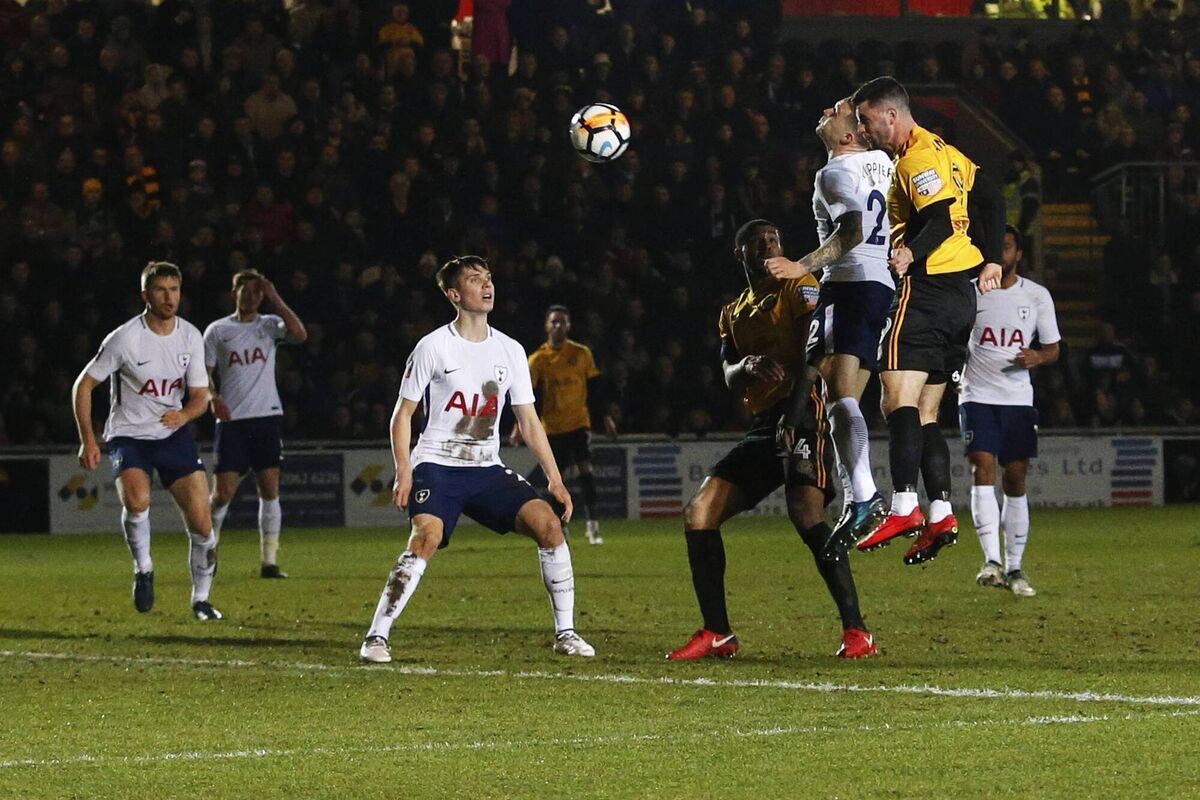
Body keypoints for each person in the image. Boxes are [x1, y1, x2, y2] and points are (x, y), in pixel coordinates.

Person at [359, 256, 594, 664]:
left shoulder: (511, 350)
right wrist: (404, 470)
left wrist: (555, 480)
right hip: (436, 465)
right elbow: (403, 414)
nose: (487, 285)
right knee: (426, 539)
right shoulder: (433, 346)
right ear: (455, 295)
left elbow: (529, 421)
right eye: (474, 279)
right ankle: (376, 637)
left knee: (550, 527)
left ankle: (566, 633)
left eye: (488, 278)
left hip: (486, 469)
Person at [666, 220, 878, 661]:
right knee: (699, 513)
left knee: (805, 513)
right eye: (758, 241)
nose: (769, 245)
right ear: (738, 252)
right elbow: (728, 373)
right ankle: (717, 632)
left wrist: (796, 413)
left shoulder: (798, 285)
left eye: (775, 239)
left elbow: (813, 353)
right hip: (764, 423)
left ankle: (857, 631)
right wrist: (745, 368)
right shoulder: (733, 312)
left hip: (804, 412)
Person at [850, 76, 1005, 566]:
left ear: (891, 115)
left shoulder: (916, 157)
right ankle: (940, 512)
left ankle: (903, 506)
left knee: (893, 396)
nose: (864, 129)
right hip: (961, 296)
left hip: (927, 288)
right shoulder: (948, 153)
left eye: (867, 120)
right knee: (927, 412)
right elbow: (993, 196)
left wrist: (907, 254)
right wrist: (993, 258)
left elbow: (937, 218)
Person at [766, 97, 896, 557]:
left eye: (838, 110)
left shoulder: (833, 174)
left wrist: (798, 266)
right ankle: (862, 494)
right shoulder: (881, 161)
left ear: (848, 135)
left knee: (835, 388)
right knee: (843, 393)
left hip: (849, 283)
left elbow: (851, 231)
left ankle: (864, 495)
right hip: (881, 285)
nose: (826, 109)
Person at [71, 261, 222, 620]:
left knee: (202, 525)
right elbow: (84, 385)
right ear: (145, 295)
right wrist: (88, 440)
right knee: (138, 502)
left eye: (174, 290)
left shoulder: (190, 336)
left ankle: (201, 599)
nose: (169, 298)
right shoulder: (125, 339)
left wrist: (184, 415)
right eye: (160, 290)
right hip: (129, 436)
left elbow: (201, 396)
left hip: (173, 435)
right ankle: (144, 569)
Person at [960, 226, 1060, 597]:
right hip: (977, 394)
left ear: (1018, 254)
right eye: (995, 246)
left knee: (1015, 478)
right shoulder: (970, 292)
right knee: (981, 468)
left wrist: (1037, 356)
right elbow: (955, 338)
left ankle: (1016, 567)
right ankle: (991, 562)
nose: (1001, 252)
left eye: (1007, 247)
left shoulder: (1036, 296)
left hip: (1017, 399)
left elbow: (1053, 348)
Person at [203, 269, 308, 578]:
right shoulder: (218, 331)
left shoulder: (270, 325)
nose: (250, 296)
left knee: (270, 490)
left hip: (266, 416)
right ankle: (208, 550)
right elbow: (204, 374)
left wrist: (275, 297)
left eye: (256, 291)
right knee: (222, 493)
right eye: (244, 290)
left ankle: (269, 562)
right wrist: (212, 397)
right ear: (233, 292)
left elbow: (300, 334)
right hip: (232, 420)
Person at [513, 304, 617, 545]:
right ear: (547, 325)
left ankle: (593, 526)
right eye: (554, 321)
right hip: (551, 427)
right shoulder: (538, 359)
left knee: (586, 470)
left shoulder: (581, 354)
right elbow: (526, 396)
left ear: (569, 325)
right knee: (555, 478)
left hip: (579, 423)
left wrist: (606, 417)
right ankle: (561, 525)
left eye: (562, 321)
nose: (558, 325)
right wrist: (520, 424)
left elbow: (595, 389)